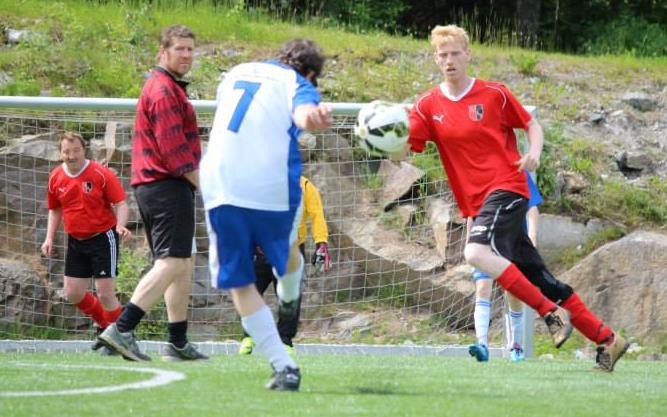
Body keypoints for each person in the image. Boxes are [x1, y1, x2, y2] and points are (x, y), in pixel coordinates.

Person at [406, 24, 628, 372]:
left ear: (468, 54)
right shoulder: (426, 106)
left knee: (475, 253)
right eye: (442, 54)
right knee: (541, 279)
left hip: (508, 187)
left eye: (454, 53)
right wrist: (381, 134)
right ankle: (608, 339)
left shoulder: (495, 94)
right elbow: (405, 143)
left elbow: (531, 125)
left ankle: (549, 313)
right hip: (480, 204)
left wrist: (534, 152)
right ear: (436, 59)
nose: (449, 60)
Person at [200, 39, 332, 391]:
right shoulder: (297, 82)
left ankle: (284, 366)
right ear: (308, 72)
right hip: (269, 183)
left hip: (220, 181)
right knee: (288, 255)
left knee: (239, 281)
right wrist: (312, 117)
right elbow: (303, 113)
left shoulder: (236, 73)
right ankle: (289, 292)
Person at [99, 24, 207, 362]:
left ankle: (177, 342)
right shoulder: (162, 91)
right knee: (173, 260)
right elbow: (175, 155)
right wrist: (208, 187)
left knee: (183, 262)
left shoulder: (169, 87)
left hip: (164, 186)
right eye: (180, 49)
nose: (187, 55)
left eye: (191, 49)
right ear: (163, 51)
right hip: (166, 186)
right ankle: (123, 328)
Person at [41, 132, 131, 354]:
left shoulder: (100, 174)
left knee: (105, 294)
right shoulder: (55, 177)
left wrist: (120, 226)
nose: (71, 156)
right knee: (72, 292)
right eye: (66, 152)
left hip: (103, 237)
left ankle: (122, 336)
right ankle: (107, 328)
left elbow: (121, 204)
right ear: (60, 153)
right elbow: (55, 209)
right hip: (75, 241)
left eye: (76, 151)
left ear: (84, 150)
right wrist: (49, 237)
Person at [238, 175, 331, 355]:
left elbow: (317, 214)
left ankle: (285, 340)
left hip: (292, 250)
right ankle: (248, 336)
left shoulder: (305, 186)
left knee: (290, 297)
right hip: (261, 247)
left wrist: (321, 243)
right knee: (251, 291)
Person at [468, 171, 541, 363]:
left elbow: (532, 208)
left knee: (514, 293)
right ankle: (482, 345)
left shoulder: (519, 172)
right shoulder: (479, 172)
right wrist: (469, 241)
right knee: (483, 287)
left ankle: (516, 345)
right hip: (486, 241)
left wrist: (532, 236)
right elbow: (471, 211)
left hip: (512, 242)